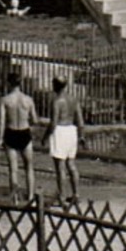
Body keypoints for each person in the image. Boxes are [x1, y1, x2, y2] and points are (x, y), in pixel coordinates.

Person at [0, 69, 38, 202]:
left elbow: (2, 120)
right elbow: (35, 120)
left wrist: (0, 138)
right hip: (25, 132)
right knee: (29, 167)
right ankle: (31, 196)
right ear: (21, 84)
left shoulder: (5, 100)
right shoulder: (28, 100)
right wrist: (29, 124)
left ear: (9, 83)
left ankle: (15, 198)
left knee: (13, 169)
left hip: (11, 132)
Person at [43, 75, 83, 207]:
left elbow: (53, 122)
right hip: (71, 130)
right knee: (71, 164)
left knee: (60, 167)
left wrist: (45, 136)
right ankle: (76, 194)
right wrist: (81, 135)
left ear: (55, 85)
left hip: (60, 130)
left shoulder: (56, 101)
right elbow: (80, 121)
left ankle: (62, 196)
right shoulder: (74, 100)